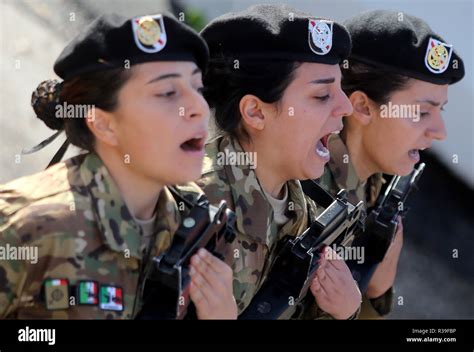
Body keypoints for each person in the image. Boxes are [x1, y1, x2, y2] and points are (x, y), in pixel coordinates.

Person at [0, 13, 237, 319]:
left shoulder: (195, 225)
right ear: (103, 124)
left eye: (198, 88)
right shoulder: (27, 225)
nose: (198, 108)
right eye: (167, 93)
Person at [197, 4, 361, 319]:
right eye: (322, 96)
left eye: (340, 90)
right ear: (256, 112)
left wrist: (344, 312)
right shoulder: (195, 213)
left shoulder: (308, 217)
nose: (345, 107)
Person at [304, 9, 465, 319]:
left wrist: (377, 287)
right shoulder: (299, 192)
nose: (440, 132)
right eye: (421, 112)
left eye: (440, 110)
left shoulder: (375, 186)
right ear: (363, 106)